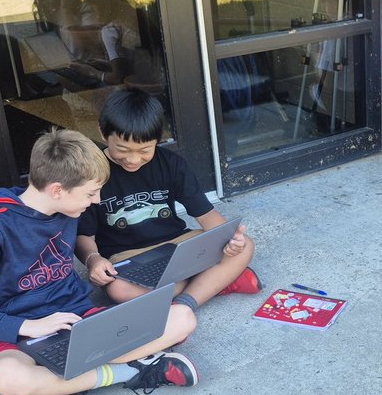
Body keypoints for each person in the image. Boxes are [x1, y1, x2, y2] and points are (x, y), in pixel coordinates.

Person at [0, 130, 198, 395]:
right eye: (91, 193)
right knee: (5, 377)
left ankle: (57, 386)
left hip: (81, 319)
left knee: (181, 317)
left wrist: (93, 260)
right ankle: (130, 371)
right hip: (25, 335)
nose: (97, 201)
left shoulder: (67, 207)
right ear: (56, 190)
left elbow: (76, 246)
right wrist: (29, 326)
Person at [76, 87, 260, 308]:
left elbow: (205, 214)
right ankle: (213, 283)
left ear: (158, 138)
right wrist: (93, 260)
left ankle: (184, 304)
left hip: (176, 244)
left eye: (145, 150)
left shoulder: (171, 164)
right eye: (123, 150)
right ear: (102, 133)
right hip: (126, 257)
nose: (133, 159)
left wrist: (231, 239)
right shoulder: (90, 175)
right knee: (119, 290)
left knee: (245, 246)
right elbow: (84, 235)